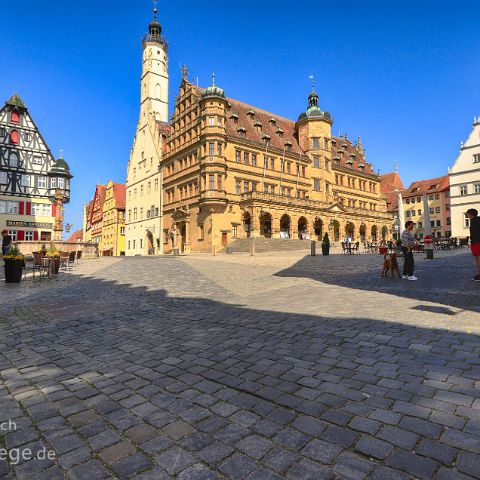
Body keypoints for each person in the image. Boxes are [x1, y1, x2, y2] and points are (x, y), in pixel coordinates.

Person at [466, 208, 480, 281]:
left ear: (471, 214)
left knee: (478, 259)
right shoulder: (477, 220)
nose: (467, 215)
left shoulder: (474, 222)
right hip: (477, 241)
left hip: (477, 242)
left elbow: (474, 233)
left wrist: (472, 241)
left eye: (467, 214)